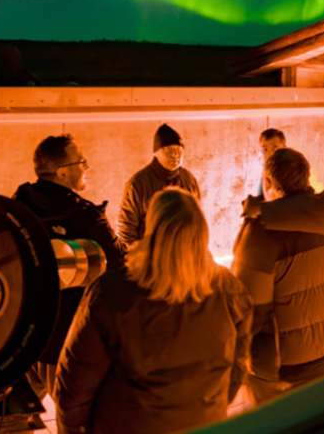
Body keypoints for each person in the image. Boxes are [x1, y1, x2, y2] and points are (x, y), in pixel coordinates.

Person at [56, 188, 252, 434]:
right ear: (202, 233)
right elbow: (236, 370)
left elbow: (73, 390)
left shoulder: (111, 294)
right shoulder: (230, 290)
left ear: (151, 231)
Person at [231, 148, 324, 404]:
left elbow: (251, 314)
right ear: (307, 178)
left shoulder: (260, 234)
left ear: (270, 183)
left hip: (296, 368)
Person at [14, 135, 127, 398]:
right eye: (82, 162)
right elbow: (119, 272)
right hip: (63, 345)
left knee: (15, 421)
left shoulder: (17, 206)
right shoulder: (87, 217)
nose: (86, 168)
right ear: (63, 173)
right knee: (75, 419)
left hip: (21, 341)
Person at [117, 124, 200, 246]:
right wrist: (136, 260)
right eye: (168, 150)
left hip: (184, 254)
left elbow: (197, 221)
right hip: (151, 257)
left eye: (179, 150)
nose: (175, 155)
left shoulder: (189, 179)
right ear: (155, 152)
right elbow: (126, 230)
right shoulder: (138, 184)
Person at [253, 128, 286, 199]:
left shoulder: (294, 168)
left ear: (284, 147)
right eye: (265, 149)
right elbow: (261, 196)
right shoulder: (265, 168)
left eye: (274, 149)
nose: (269, 154)